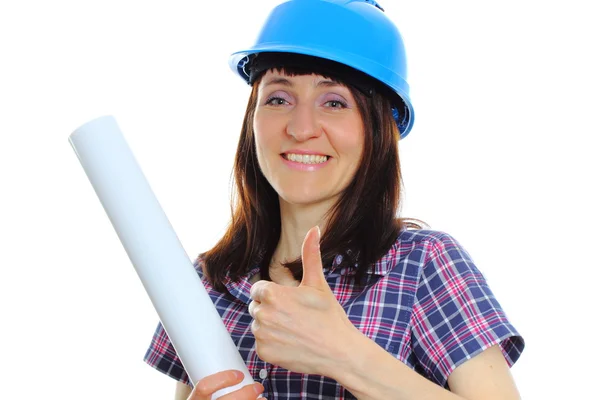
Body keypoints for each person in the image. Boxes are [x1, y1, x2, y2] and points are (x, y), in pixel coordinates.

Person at [144, 1, 525, 398]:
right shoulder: (208, 283)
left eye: (334, 102)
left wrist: (342, 354)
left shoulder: (424, 264)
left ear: (376, 128)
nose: (301, 128)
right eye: (278, 98)